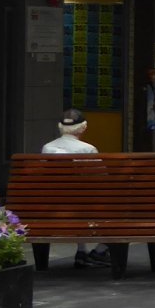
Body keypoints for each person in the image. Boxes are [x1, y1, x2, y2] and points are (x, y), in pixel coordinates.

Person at [42, 109, 108, 267]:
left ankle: (81, 250)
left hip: (52, 206)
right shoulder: (88, 149)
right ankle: (100, 250)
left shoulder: (47, 148)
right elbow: (102, 181)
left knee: (80, 202)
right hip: (85, 205)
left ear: (60, 127)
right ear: (83, 127)